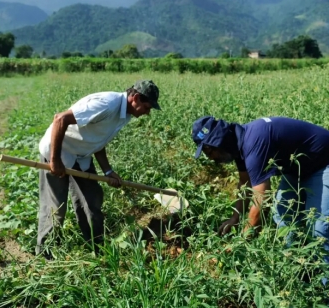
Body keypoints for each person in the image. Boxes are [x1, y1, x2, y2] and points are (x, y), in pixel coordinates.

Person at [191, 116, 329, 277]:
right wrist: (235, 217)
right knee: (284, 216)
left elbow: (262, 201)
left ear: (219, 141)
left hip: (324, 163)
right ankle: (297, 272)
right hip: (296, 170)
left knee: (320, 229)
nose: (210, 158)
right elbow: (244, 182)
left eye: (209, 151)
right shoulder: (239, 144)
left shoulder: (254, 142)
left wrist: (241, 242)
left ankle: (324, 288)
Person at [37, 80, 161, 259]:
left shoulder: (124, 115)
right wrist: (55, 160)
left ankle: (97, 248)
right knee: (56, 208)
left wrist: (108, 171)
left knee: (92, 200)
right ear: (135, 98)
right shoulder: (106, 104)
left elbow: (98, 140)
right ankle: (45, 254)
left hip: (81, 156)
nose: (147, 113)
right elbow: (60, 119)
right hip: (58, 151)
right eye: (147, 107)